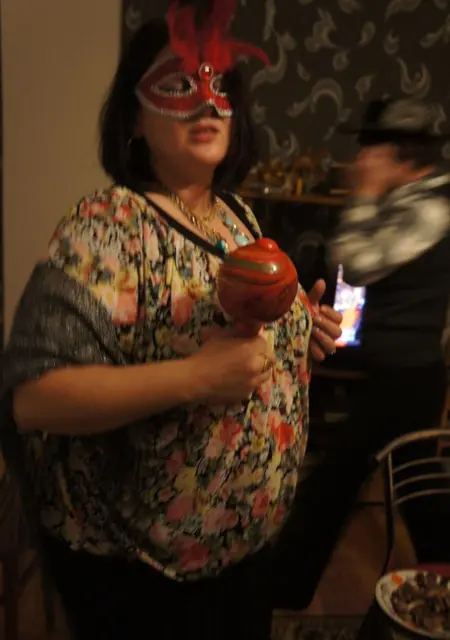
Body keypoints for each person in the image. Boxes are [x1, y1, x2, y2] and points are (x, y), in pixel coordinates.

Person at [0, 3, 341, 639]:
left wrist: (302, 328)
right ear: (134, 117)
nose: (206, 101)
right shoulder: (107, 226)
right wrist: (197, 376)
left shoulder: (238, 216)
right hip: (149, 579)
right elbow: (36, 398)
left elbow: (245, 333)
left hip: (242, 553)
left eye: (221, 85)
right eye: (179, 83)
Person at [282, 97, 450, 610]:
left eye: (370, 148)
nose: (359, 158)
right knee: (418, 496)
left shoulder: (428, 208)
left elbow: (354, 264)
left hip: (406, 375)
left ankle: (282, 597)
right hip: (404, 372)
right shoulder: (414, 199)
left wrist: (365, 195)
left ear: (401, 156)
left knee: (332, 488)